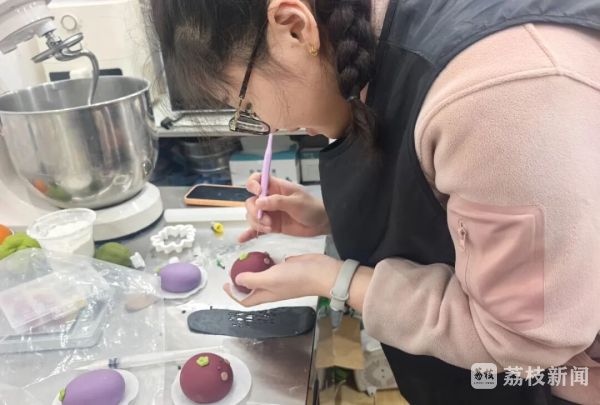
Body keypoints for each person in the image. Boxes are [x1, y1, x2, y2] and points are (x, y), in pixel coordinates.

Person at [150, 0, 600, 403]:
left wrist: (337, 281)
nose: (264, 124)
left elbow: (520, 340)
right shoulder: (370, 42)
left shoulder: (496, 98)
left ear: (294, 27)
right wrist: (325, 218)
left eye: (246, 105)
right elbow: (447, 201)